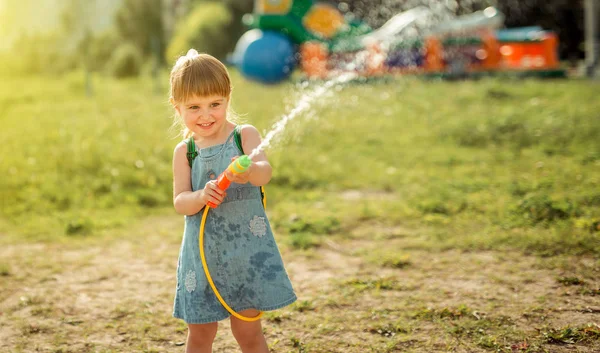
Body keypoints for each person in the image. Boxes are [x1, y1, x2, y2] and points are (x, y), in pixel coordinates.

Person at [169, 49, 297, 353]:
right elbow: (180, 201)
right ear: (178, 109)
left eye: (215, 104)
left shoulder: (244, 136)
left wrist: (249, 170)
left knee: (248, 331)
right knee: (200, 332)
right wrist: (200, 195)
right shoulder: (185, 152)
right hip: (203, 257)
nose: (206, 115)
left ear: (228, 98)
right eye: (194, 107)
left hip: (245, 252)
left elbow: (265, 173)